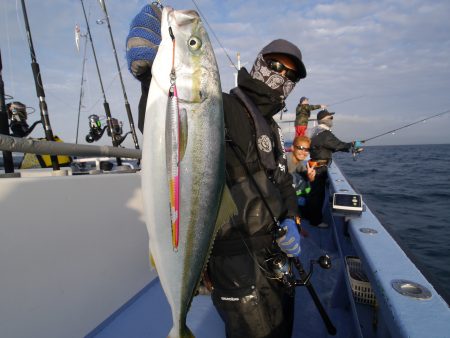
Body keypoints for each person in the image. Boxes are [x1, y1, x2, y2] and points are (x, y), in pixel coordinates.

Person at [126, 5, 307, 337]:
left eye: (290, 75)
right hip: (235, 261)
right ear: (259, 64)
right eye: (275, 66)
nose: (281, 76)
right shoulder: (223, 106)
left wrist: (291, 219)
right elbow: (170, 125)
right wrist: (146, 77)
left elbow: (281, 178)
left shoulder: (269, 125)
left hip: (273, 254)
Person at [305, 109, 363, 228]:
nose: (332, 120)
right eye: (330, 118)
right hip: (320, 168)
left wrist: (349, 145)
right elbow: (338, 145)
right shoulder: (325, 134)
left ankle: (309, 215)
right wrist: (352, 145)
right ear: (325, 120)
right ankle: (315, 221)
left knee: (314, 193)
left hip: (314, 166)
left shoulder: (316, 132)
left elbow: (331, 146)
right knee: (318, 195)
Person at [287, 136, 315, 215]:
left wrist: (310, 176)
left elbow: (304, 172)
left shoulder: (298, 161)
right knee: (295, 179)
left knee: (307, 183)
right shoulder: (287, 160)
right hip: (278, 194)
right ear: (292, 148)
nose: (304, 152)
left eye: (307, 150)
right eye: (300, 148)